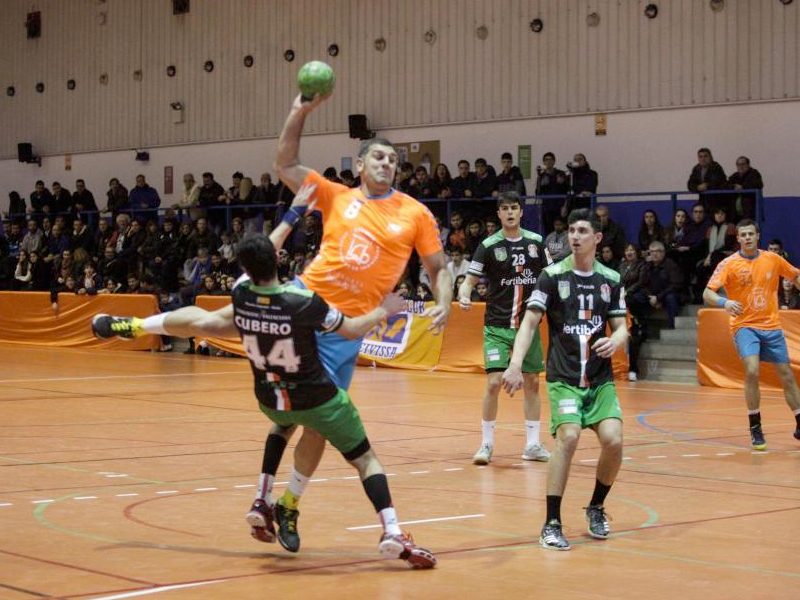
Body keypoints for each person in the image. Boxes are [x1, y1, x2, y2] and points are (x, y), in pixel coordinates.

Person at [91, 234, 436, 567]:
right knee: (360, 456)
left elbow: (206, 318)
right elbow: (353, 329)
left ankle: (264, 499)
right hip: (319, 391)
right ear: (278, 259)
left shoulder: (243, 293)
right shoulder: (304, 300)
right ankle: (389, 530)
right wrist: (385, 310)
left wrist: (291, 215)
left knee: (210, 325)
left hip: (271, 396)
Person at [246, 91, 451, 549]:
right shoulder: (336, 195)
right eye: (378, 157)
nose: (387, 164)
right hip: (305, 310)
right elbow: (284, 162)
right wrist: (299, 112)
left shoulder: (415, 213)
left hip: (348, 332)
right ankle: (262, 497)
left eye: (393, 160)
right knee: (291, 410)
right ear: (359, 165)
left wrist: (446, 300)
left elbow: (439, 267)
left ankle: (287, 504)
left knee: (317, 422)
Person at [501, 208, 628, 551]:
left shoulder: (611, 279)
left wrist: (615, 341)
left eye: (582, 231)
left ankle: (596, 506)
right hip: (564, 377)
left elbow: (621, 328)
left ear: (597, 238)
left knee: (614, 440)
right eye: (571, 230)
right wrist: (515, 365)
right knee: (568, 437)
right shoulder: (552, 275)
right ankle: (551, 523)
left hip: (599, 380)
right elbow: (530, 322)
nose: (574, 236)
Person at [458, 191, 552, 464]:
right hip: (497, 326)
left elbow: (552, 276)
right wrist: (464, 295)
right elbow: (469, 281)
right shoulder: (488, 246)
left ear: (521, 212)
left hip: (528, 327)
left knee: (532, 383)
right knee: (494, 382)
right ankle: (486, 444)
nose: (510, 212)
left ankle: (532, 445)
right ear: (498, 214)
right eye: (505, 209)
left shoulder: (536, 242)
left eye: (514, 208)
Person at [703, 219, 800, 450]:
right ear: (738, 238)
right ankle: (755, 426)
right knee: (752, 369)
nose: (747, 238)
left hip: (772, 326)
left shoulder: (772, 259)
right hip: (744, 325)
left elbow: (794, 275)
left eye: (751, 234)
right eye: (743, 235)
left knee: (786, 375)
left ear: (758, 236)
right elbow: (707, 293)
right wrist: (725, 302)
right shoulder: (729, 264)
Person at [687, 147, 728, 214]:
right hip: (703, 202)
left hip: (717, 202)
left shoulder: (716, 167)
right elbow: (690, 184)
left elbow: (720, 182)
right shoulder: (696, 169)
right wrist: (697, 187)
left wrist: (707, 185)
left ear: (710, 157)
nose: (703, 159)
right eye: (700, 157)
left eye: (705, 156)